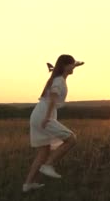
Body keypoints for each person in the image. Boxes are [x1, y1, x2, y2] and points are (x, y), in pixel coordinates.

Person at [22, 54, 82, 192]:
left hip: (38, 114)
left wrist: (77, 64)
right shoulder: (59, 81)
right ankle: (48, 165)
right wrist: (48, 118)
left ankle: (28, 184)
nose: (74, 67)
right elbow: (53, 99)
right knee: (71, 139)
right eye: (72, 64)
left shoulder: (57, 77)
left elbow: (64, 66)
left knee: (44, 151)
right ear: (65, 66)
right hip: (45, 114)